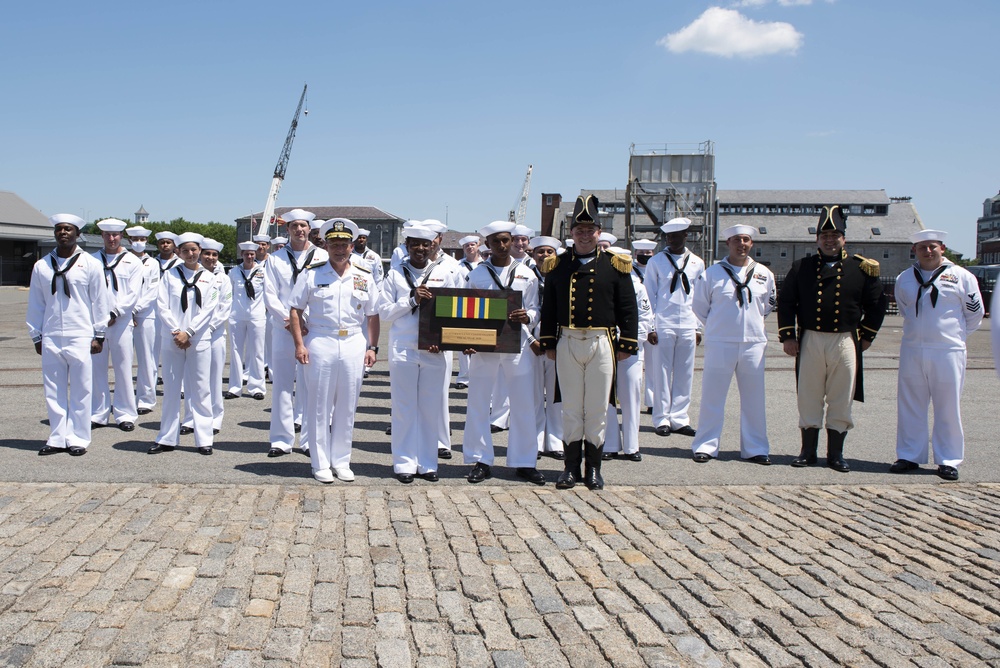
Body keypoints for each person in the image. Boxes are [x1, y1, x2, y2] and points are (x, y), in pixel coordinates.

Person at [539, 195, 638, 490]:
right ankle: (570, 468)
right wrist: (548, 343)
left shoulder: (616, 265)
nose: (584, 235)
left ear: (599, 232)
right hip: (568, 339)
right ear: (570, 233)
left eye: (590, 229)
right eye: (579, 230)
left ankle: (593, 468)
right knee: (570, 407)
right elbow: (549, 308)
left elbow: (628, 307)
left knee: (596, 408)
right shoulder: (557, 265)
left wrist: (627, 344)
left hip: (602, 341)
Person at [778, 205, 887, 472]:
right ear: (817, 239)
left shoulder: (861, 268)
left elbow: (877, 304)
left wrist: (867, 336)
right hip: (811, 339)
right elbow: (787, 302)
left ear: (844, 239)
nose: (829, 240)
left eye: (835, 235)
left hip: (844, 340)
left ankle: (836, 454)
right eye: (824, 235)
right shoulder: (801, 267)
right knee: (809, 395)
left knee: (841, 397)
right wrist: (788, 336)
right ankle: (808, 451)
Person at [289, 218, 382, 483]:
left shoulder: (363, 275)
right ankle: (319, 463)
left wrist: (372, 347)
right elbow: (295, 310)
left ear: (352, 246)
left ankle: (341, 461)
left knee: (347, 405)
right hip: (321, 341)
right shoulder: (312, 273)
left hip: (353, 341)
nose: (339, 250)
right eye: (334, 245)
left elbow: (373, 314)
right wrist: (299, 345)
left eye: (344, 244)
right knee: (319, 405)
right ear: (326, 246)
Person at [890, 230, 983, 481]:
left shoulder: (962, 276)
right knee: (910, 404)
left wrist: (955, 337)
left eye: (932, 246)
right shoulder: (905, 278)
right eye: (922, 247)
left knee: (948, 406)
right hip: (913, 349)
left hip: (947, 351)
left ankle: (948, 459)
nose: (927, 251)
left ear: (942, 248)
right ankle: (909, 455)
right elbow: (904, 308)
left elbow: (975, 313)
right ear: (915, 250)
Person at [462, 221, 544, 485]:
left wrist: (528, 316)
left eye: (506, 240)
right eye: (495, 241)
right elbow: (465, 309)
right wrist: (467, 338)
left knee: (523, 404)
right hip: (485, 345)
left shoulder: (526, 273)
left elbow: (535, 309)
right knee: (478, 401)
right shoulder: (477, 274)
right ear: (487, 244)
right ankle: (481, 459)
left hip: (517, 344)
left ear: (513, 241)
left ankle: (524, 461)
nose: (501, 245)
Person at [379, 224, 461, 483]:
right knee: (404, 407)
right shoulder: (394, 275)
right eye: (415, 244)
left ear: (433, 246)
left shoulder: (444, 273)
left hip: (433, 349)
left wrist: (446, 340)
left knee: (430, 408)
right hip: (403, 347)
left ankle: (427, 463)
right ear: (407, 245)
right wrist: (411, 300)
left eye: (426, 244)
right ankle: (404, 462)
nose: (421, 249)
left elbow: (453, 312)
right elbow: (384, 312)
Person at [689, 225, 776, 464]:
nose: (742, 244)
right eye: (737, 240)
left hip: (753, 343)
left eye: (746, 240)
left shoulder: (764, 274)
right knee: (712, 397)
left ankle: (756, 448)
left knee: (754, 399)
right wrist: (721, 325)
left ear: (752, 244)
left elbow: (767, 306)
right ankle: (705, 445)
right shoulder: (712, 274)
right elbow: (700, 307)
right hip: (721, 342)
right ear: (728, 243)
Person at [27, 214, 111, 456]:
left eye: (68, 229)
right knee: (53, 389)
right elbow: (36, 303)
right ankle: (56, 436)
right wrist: (36, 335)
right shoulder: (42, 265)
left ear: (77, 234)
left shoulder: (91, 264)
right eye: (59, 229)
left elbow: (99, 301)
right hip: (52, 334)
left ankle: (78, 438)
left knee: (82, 389)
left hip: (81, 334)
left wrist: (99, 334)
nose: (63, 232)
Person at [263, 210, 328, 457]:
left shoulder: (322, 256)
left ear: (310, 228)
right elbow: (270, 294)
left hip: (314, 327)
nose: (299, 229)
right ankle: (281, 440)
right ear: (287, 229)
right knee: (281, 383)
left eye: (303, 225)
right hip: (283, 328)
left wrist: (307, 321)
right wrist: (288, 321)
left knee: (312, 385)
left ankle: (311, 440)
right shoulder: (275, 259)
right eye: (294, 226)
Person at [150, 233, 220, 455]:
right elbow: (162, 305)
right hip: (173, 339)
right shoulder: (169, 276)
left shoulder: (210, 277)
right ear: (178, 252)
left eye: (194, 249)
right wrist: (176, 331)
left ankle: (204, 439)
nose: (191, 253)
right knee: (171, 389)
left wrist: (189, 332)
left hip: (198, 339)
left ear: (200, 250)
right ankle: (167, 438)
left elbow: (210, 308)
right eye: (186, 250)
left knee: (201, 389)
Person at [644, 218, 705, 437]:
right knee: (661, 372)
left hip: (688, 322)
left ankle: (679, 418)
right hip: (664, 322)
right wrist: (650, 325)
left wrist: (698, 328)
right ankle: (661, 418)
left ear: (685, 236)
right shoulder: (657, 262)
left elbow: (700, 297)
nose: (671, 240)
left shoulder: (697, 262)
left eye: (676, 236)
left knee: (685, 373)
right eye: (668, 237)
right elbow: (649, 295)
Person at [91, 218, 144, 432]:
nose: (111, 239)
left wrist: (115, 312)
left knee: (123, 368)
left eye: (115, 235)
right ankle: (98, 413)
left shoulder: (133, 261)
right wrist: (98, 317)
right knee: (97, 369)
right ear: (102, 236)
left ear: (122, 236)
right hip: (97, 322)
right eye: (107, 235)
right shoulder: (92, 260)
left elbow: (133, 294)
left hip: (121, 321)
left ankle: (125, 413)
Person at [602, 246, 653, 462]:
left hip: (630, 349)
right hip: (604, 346)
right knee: (606, 397)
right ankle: (610, 443)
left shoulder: (636, 286)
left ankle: (632, 445)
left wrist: (628, 344)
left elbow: (645, 318)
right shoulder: (601, 284)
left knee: (631, 396)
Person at [180, 239, 231, 438]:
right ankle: (190, 418)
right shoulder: (191, 274)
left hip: (214, 334)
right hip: (193, 335)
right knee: (192, 378)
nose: (210, 258)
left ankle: (215, 418)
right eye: (207, 254)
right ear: (201, 254)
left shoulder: (223, 278)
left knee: (214, 378)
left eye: (214, 255)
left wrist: (208, 327)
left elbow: (224, 307)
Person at [528, 236, 564, 460]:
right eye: (540, 251)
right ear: (533, 254)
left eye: (549, 252)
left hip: (558, 341)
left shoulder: (563, 276)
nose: (544, 256)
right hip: (530, 341)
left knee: (556, 395)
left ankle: (556, 440)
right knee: (533, 395)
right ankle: (536, 440)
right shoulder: (524, 275)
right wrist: (530, 340)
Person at [125, 226, 160, 415]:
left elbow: (152, 291)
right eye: (134, 239)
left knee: (147, 358)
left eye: (142, 239)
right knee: (124, 359)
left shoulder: (152, 263)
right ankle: (127, 399)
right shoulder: (124, 260)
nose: (138, 242)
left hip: (145, 314)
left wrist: (136, 309)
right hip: (123, 314)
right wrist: (126, 311)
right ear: (129, 241)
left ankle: (146, 399)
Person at [226, 241, 267, 400]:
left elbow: (268, 294)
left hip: (257, 316)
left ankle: (257, 387)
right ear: (241, 255)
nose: (249, 257)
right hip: (237, 316)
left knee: (257, 352)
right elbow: (229, 294)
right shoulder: (233, 272)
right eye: (246, 254)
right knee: (235, 352)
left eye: (252, 254)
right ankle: (235, 387)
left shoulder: (262, 271)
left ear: (255, 255)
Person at [631, 239, 658, 410]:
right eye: (641, 253)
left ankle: (652, 402)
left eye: (648, 254)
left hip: (655, 320)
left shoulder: (655, 269)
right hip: (637, 322)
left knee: (653, 365)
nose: (645, 256)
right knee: (636, 365)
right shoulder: (629, 270)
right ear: (635, 254)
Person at [454, 234, 482, 389]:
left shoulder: (485, 265)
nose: (470, 248)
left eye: (472, 245)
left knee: (479, 341)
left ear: (478, 246)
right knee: (462, 342)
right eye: (467, 246)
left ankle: (478, 375)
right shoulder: (458, 266)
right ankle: (464, 377)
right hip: (462, 305)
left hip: (480, 305)